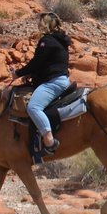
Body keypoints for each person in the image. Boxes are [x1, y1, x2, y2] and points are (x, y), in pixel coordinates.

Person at [15, 11, 73, 155]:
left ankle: (49, 141)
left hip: (54, 82)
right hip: (60, 79)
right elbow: (46, 64)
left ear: (46, 24)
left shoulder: (46, 41)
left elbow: (36, 63)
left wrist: (17, 73)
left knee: (33, 107)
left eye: (40, 23)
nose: (38, 25)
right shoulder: (60, 41)